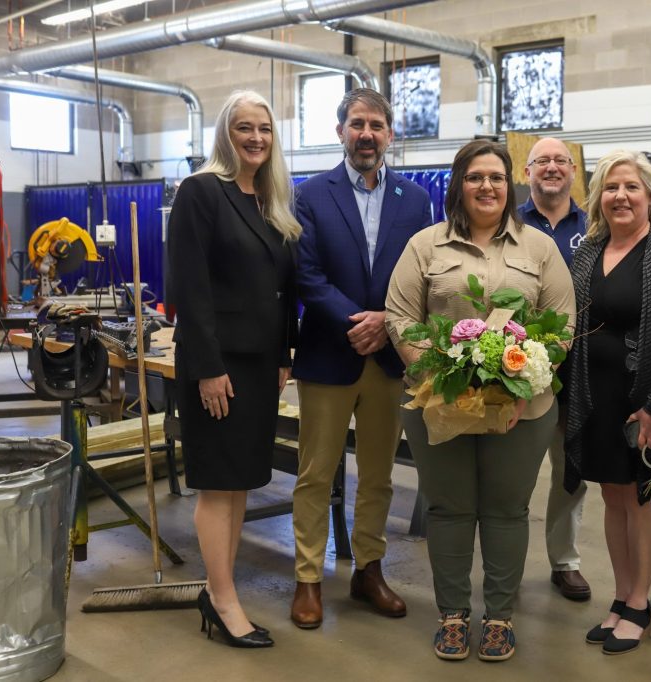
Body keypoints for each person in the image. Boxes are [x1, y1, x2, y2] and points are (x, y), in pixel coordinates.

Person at [385, 140, 575, 662]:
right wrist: (444, 379)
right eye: (474, 177)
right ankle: (452, 614)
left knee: (506, 511)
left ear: (509, 185)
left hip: (523, 409)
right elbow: (400, 317)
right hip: (439, 404)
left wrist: (518, 384)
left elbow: (562, 327)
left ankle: (498, 617)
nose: (486, 186)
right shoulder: (425, 246)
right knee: (448, 509)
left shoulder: (540, 249)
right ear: (458, 185)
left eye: (495, 177)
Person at [290, 88, 432, 627]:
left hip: (390, 359)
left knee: (378, 475)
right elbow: (306, 276)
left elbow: (422, 276)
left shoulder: (415, 200)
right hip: (330, 353)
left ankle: (368, 570)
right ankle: (308, 577)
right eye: (357, 124)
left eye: (376, 125)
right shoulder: (310, 195)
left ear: (390, 135)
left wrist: (387, 323)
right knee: (315, 473)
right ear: (340, 132)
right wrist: (361, 322)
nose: (366, 134)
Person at [167, 90, 300, 648]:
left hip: (259, 365)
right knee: (218, 486)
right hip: (218, 366)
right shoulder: (201, 191)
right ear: (226, 133)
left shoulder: (270, 200)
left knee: (241, 480)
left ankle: (217, 591)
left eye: (264, 129)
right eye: (244, 127)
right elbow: (190, 286)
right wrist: (206, 367)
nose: (256, 138)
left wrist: (284, 354)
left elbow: (282, 288)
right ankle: (223, 600)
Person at [564, 150, 651, 655]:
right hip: (596, 397)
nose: (620, 196)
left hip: (644, 402)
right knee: (612, 496)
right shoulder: (588, 250)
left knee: (642, 499)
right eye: (610, 187)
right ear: (598, 196)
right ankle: (621, 597)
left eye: (631, 187)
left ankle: (641, 603)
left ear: (650, 195)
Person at [516, 137, 590, 602]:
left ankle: (565, 561)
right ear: (526, 172)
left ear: (573, 171)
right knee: (513, 472)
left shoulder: (596, 226)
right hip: (516, 368)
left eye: (561, 160)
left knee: (570, 470)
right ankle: (507, 562)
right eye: (541, 160)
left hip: (578, 370)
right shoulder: (508, 222)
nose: (552, 167)